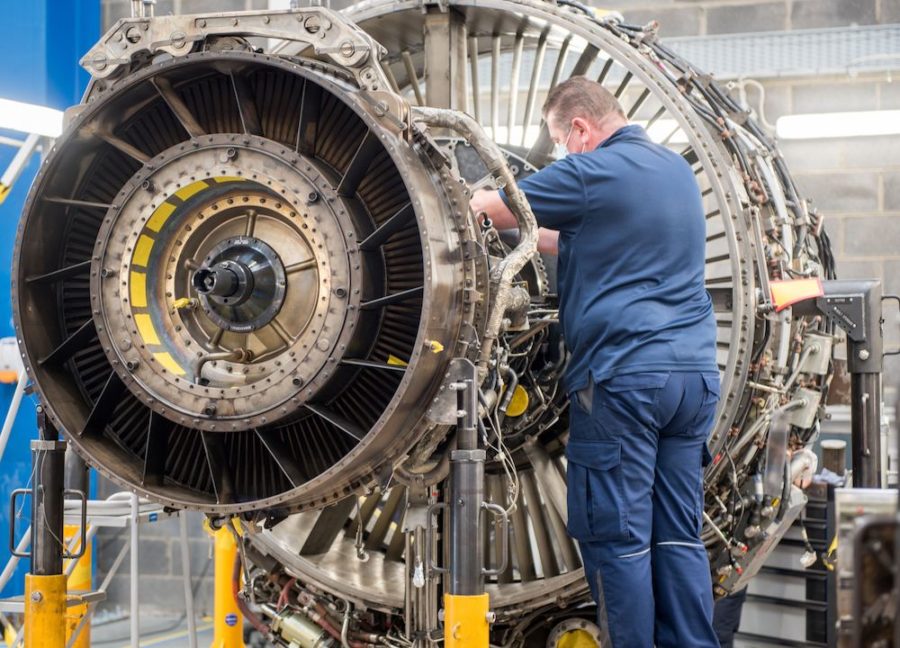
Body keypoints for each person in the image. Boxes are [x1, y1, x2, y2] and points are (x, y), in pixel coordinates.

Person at [470, 76, 720, 648]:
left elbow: (494, 205)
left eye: (560, 142)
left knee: (619, 537)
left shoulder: (591, 172)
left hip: (626, 381)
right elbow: (588, 234)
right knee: (677, 534)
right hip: (692, 380)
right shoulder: (673, 170)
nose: (561, 153)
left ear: (580, 129)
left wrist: (463, 200)